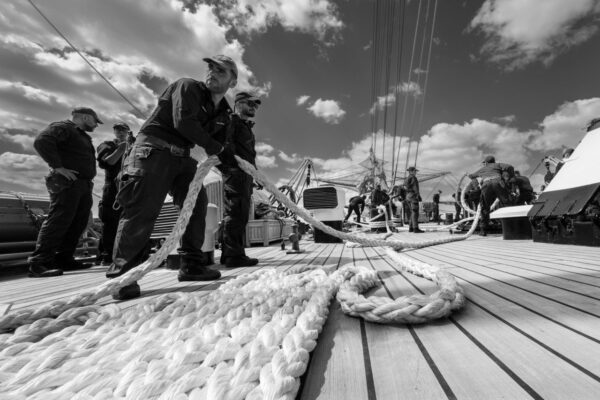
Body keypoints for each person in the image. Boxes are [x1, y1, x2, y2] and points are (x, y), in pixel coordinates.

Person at [106, 55, 238, 300]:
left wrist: (228, 155)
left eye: (221, 70)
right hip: (151, 152)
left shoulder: (223, 113)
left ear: (233, 81)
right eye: (210, 68)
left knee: (197, 206)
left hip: (182, 157)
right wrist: (217, 148)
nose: (212, 72)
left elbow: (221, 142)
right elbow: (184, 123)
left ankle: (191, 265)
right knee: (142, 211)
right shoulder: (187, 86)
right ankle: (123, 277)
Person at [28, 107, 101, 277]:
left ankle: (64, 259)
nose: (96, 125)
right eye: (95, 121)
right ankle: (39, 262)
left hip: (82, 184)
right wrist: (58, 166)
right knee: (59, 219)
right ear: (85, 117)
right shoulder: (63, 127)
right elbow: (42, 141)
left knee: (78, 221)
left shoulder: (80, 134)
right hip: (66, 183)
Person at [219, 92, 261, 268]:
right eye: (250, 103)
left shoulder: (245, 126)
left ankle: (232, 253)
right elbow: (224, 147)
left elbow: (247, 154)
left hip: (246, 175)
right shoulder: (231, 121)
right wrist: (231, 170)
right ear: (238, 103)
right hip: (236, 174)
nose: (254, 107)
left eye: (256, 105)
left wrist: (255, 175)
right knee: (235, 213)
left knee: (241, 214)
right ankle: (232, 256)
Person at [96, 122, 133, 265]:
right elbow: (108, 162)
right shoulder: (107, 145)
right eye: (117, 129)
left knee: (131, 221)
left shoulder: (133, 148)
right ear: (114, 132)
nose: (121, 132)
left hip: (130, 187)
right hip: (113, 188)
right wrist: (121, 149)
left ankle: (129, 253)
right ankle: (107, 256)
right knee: (111, 222)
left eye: (124, 130)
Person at [468, 155, 513, 236]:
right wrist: (510, 177)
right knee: (507, 204)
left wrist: (468, 175)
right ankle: (511, 227)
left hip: (486, 185)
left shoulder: (482, 169)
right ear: (493, 161)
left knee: (485, 207)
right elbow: (510, 166)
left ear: (486, 162)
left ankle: (483, 230)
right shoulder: (498, 165)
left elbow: (472, 176)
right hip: (498, 182)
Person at [404, 166, 423, 233]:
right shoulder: (413, 178)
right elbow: (415, 187)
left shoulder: (407, 178)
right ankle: (415, 228)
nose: (416, 172)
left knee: (412, 212)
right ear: (411, 171)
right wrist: (418, 195)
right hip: (413, 196)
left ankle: (411, 228)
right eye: (415, 171)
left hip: (408, 196)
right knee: (415, 212)